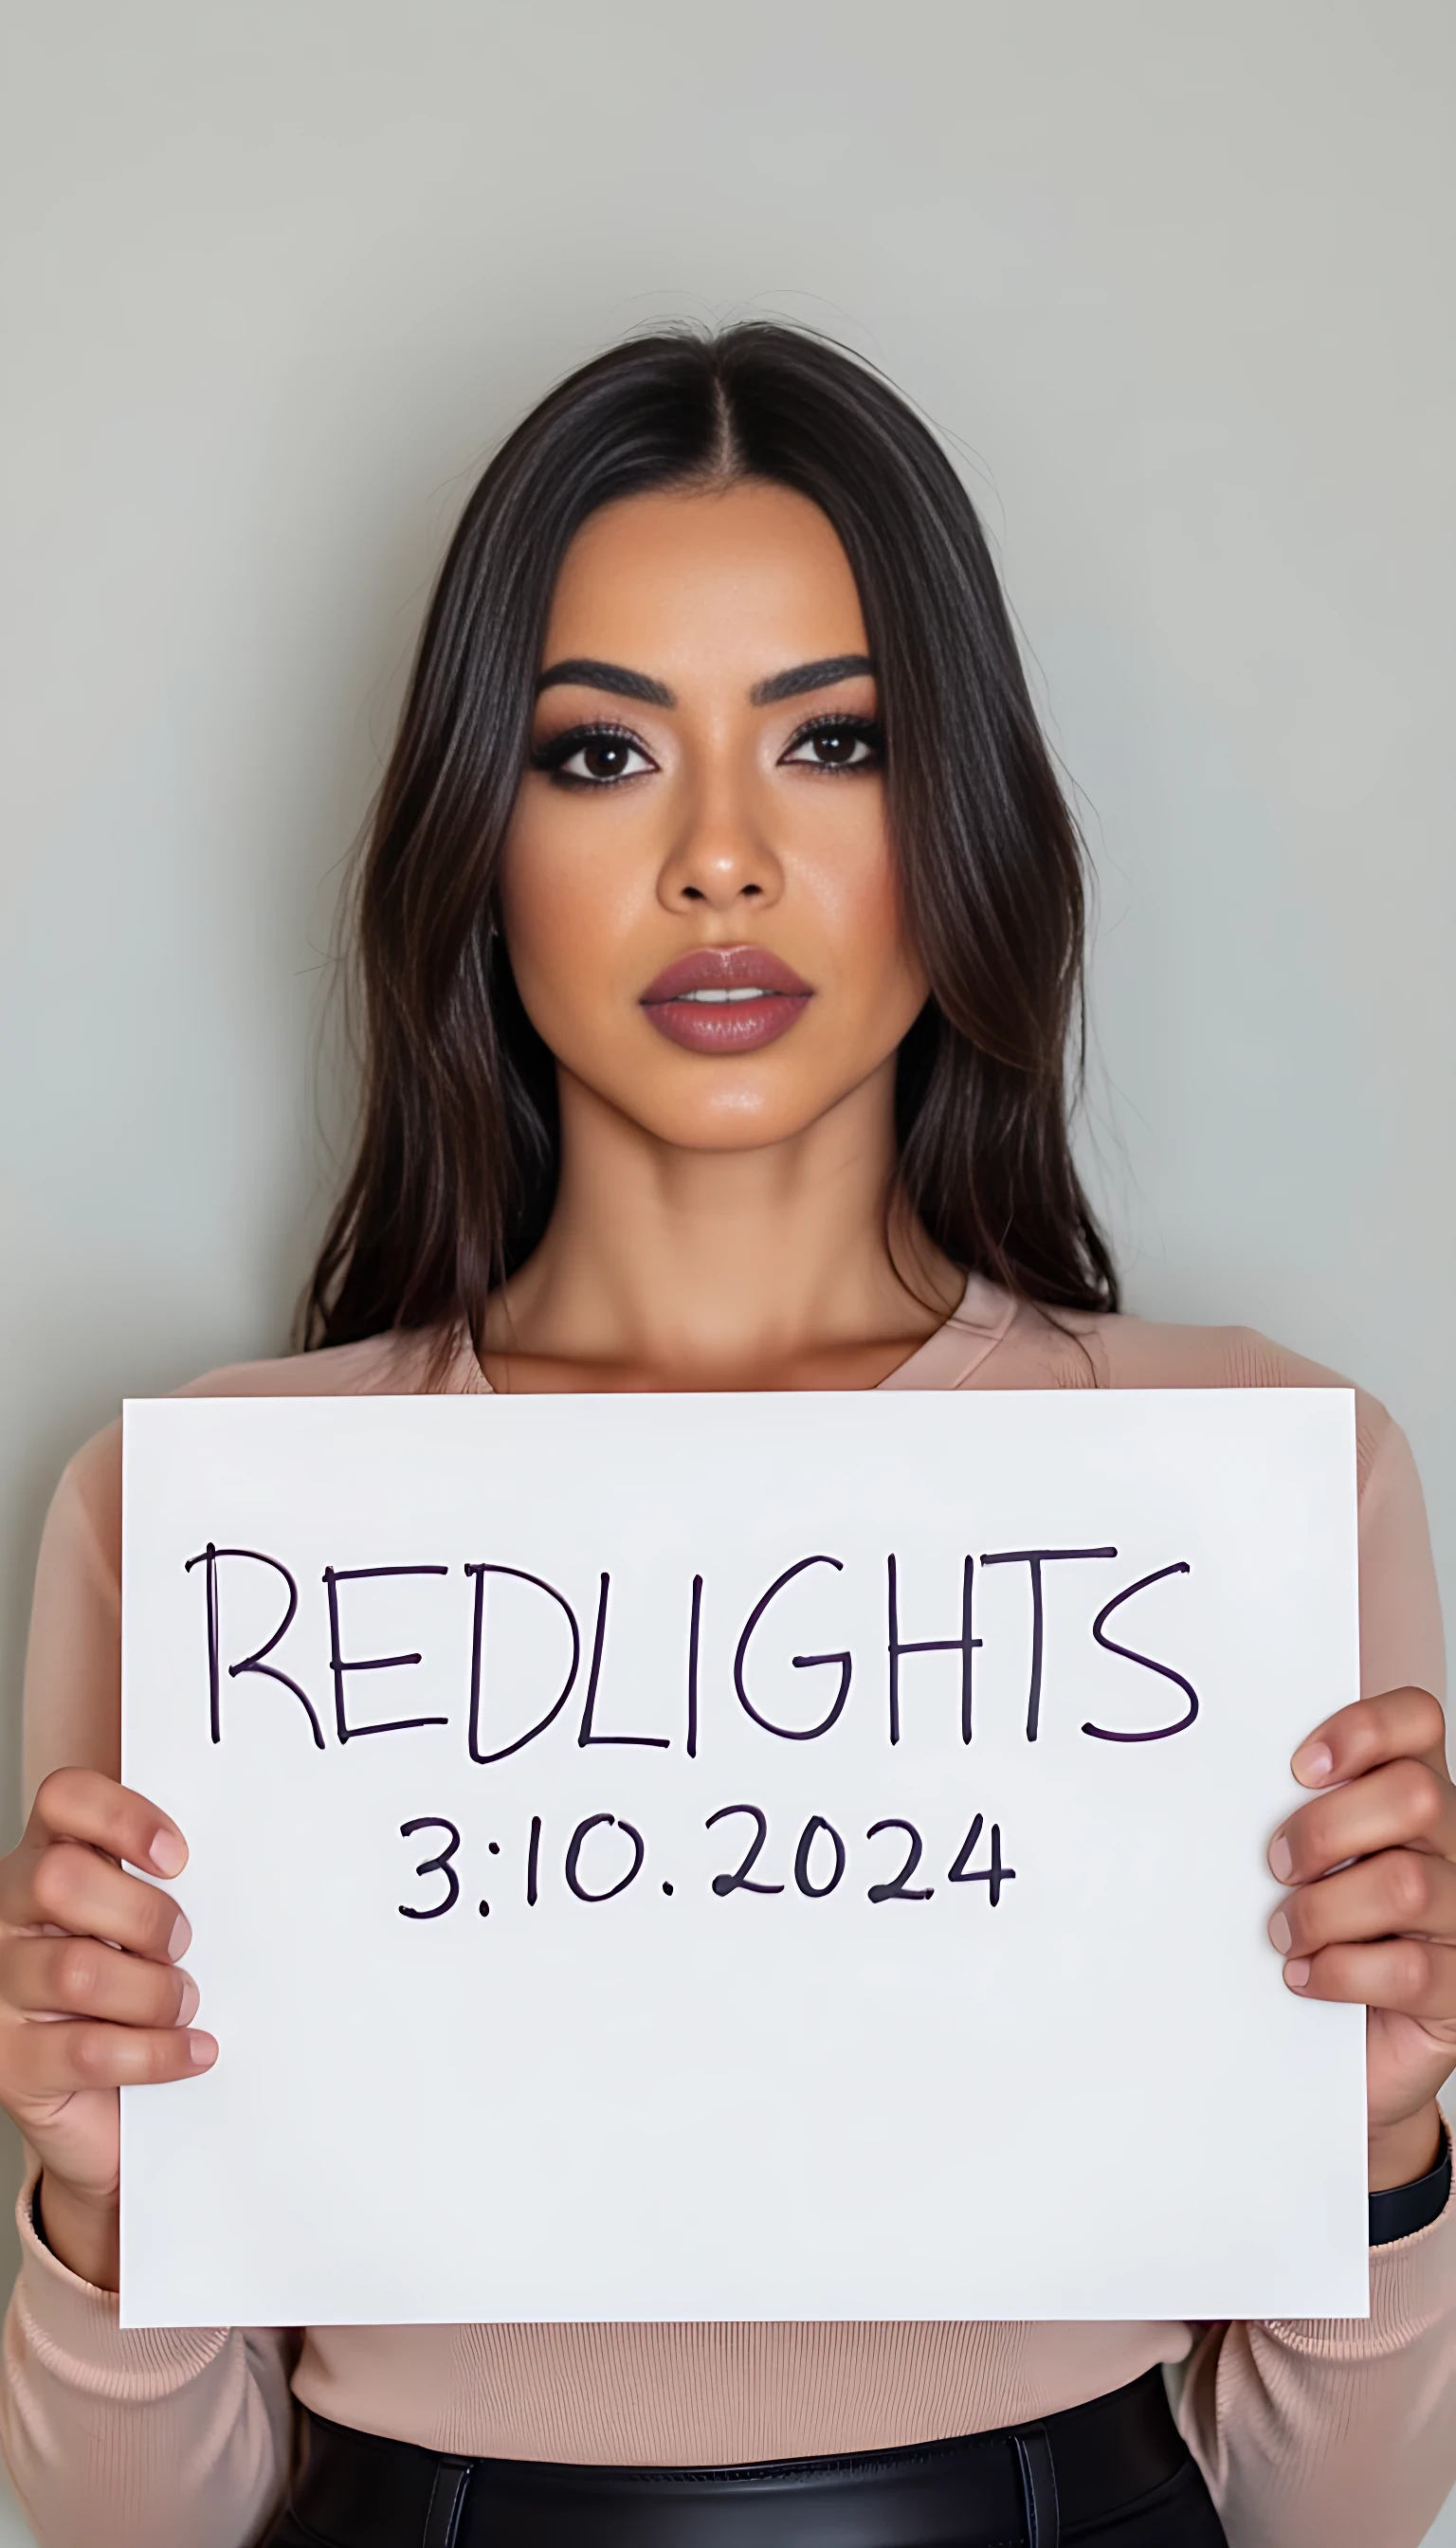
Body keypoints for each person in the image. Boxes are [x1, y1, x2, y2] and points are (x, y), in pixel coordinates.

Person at [0, 323, 1452, 2548]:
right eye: (600, 757)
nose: (720, 863)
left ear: (958, 817)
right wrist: (100, 2201)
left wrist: (1380, 2148)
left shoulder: (1256, 1485)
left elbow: (1329, 2516)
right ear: (474, 839)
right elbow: (143, 2531)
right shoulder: (205, 1526)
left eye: (836, 742)